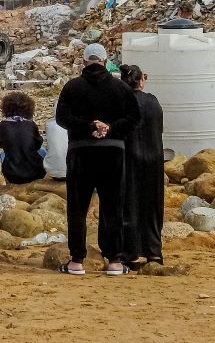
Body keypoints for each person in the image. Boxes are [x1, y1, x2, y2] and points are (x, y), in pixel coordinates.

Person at [54, 42, 140, 277]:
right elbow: (134, 117)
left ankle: (76, 260)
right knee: (112, 207)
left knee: (78, 208)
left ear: (84, 61)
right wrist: (110, 128)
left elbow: (62, 117)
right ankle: (114, 260)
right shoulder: (120, 88)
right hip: (113, 151)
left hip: (81, 151)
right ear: (104, 61)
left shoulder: (72, 87)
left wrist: (87, 126)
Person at [120, 65, 164, 267]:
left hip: (130, 157)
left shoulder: (122, 102)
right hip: (154, 156)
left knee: (131, 205)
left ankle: (132, 252)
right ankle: (154, 251)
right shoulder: (153, 101)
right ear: (141, 81)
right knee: (153, 205)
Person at [0, 92, 46, 185]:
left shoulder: (1, 126)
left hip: (12, 175)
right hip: (36, 173)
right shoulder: (31, 124)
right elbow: (38, 144)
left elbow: (1, 144)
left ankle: (8, 183)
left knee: (2, 154)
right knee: (43, 150)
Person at [43, 116, 68, 181]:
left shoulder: (49, 124)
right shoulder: (77, 124)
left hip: (52, 172)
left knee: (42, 150)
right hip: (73, 171)